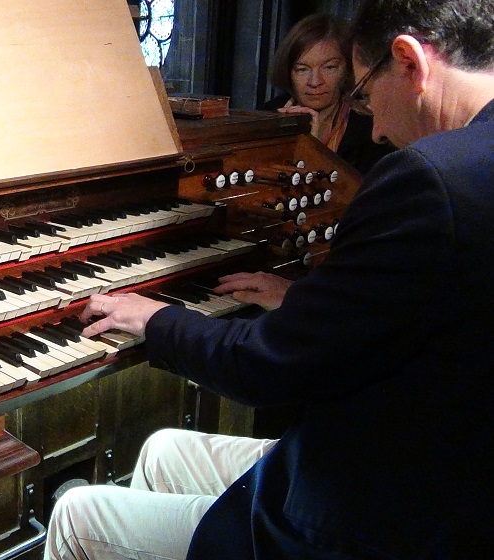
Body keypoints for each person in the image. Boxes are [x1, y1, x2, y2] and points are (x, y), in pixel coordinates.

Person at [45, 0, 494, 558]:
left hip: (380, 515)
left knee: (76, 511)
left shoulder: (429, 179)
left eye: (363, 94)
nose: (376, 129)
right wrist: (310, 301)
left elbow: (269, 366)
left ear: (409, 61)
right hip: (440, 465)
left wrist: (158, 318)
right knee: (162, 448)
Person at [264, 13, 394, 175]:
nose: (315, 82)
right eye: (302, 69)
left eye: (329, 67)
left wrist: (313, 151)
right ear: (289, 72)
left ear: (348, 69)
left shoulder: (372, 128)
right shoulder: (266, 119)